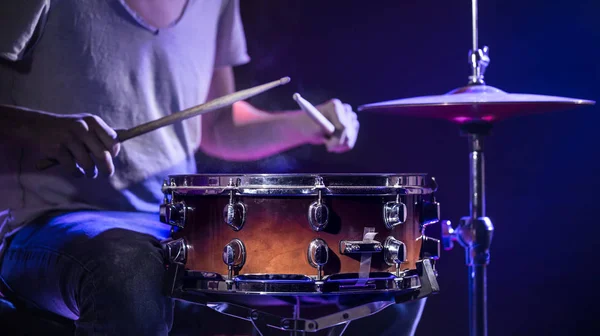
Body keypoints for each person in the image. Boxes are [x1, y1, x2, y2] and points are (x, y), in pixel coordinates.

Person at [0, 0, 424, 335]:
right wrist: (38, 128)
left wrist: (307, 124)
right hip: (43, 221)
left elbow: (218, 126)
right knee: (129, 269)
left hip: (171, 225)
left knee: (390, 261)